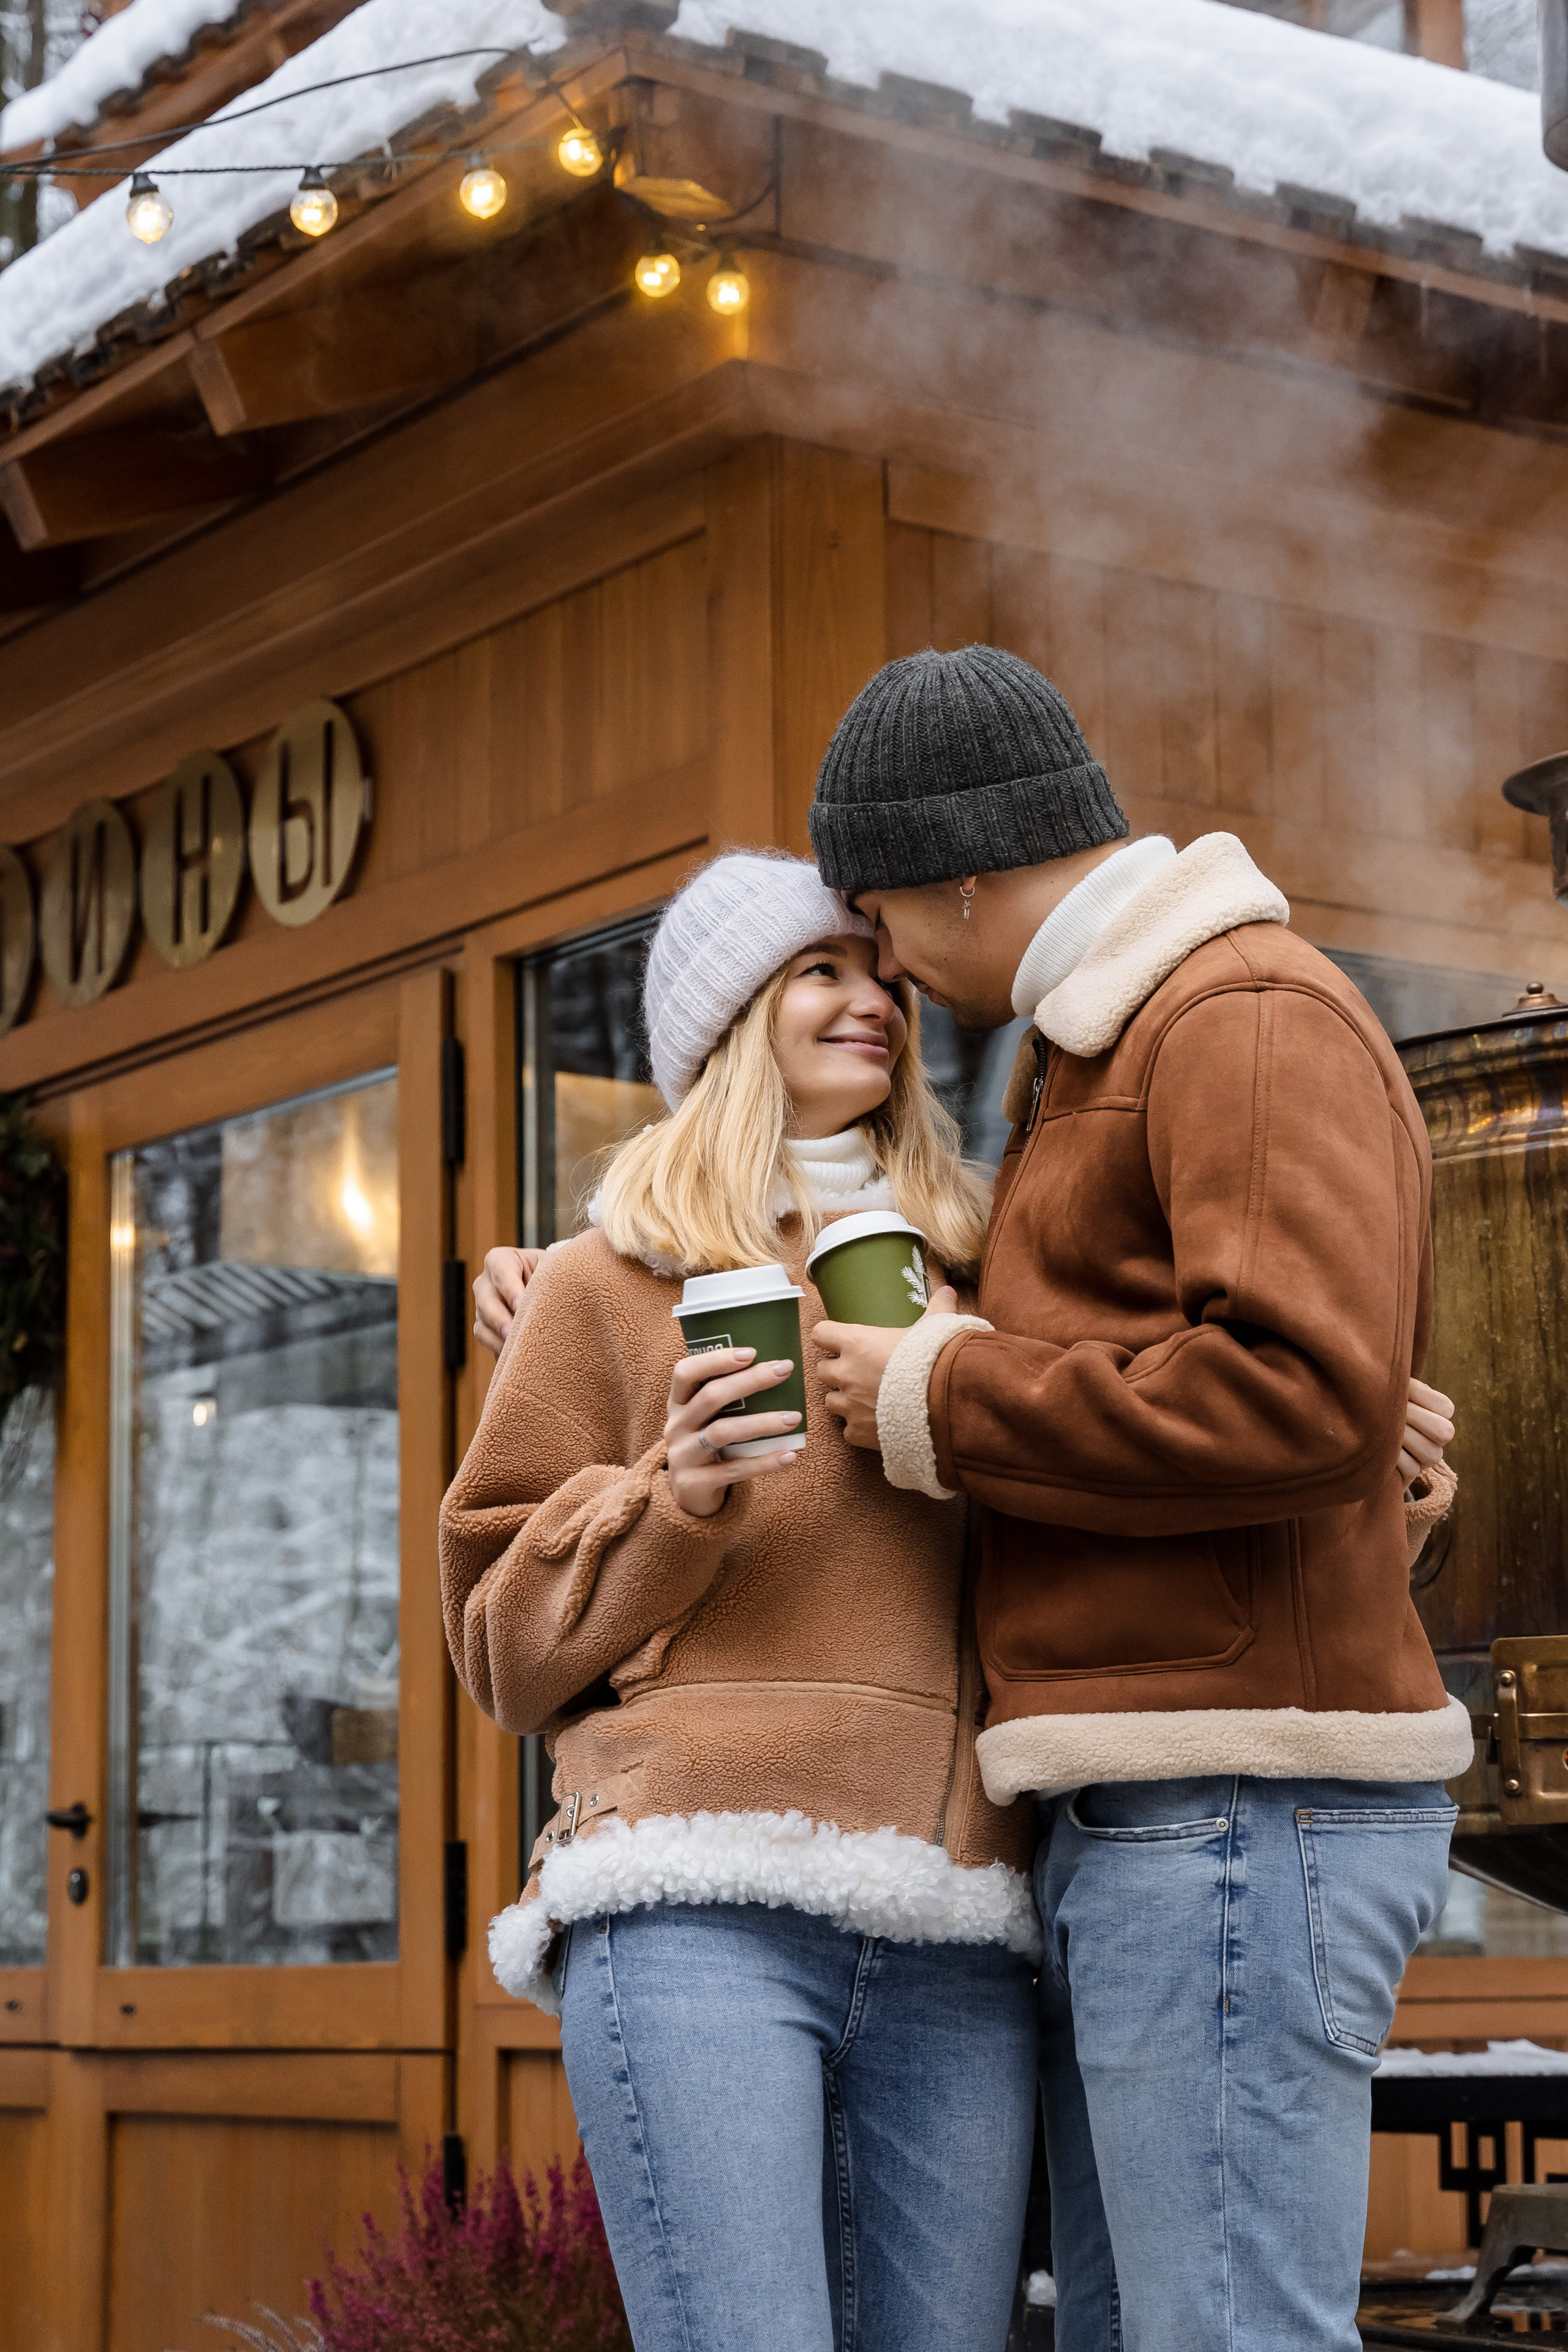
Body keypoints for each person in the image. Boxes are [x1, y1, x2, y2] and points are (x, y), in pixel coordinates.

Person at [805, 644, 1464, 2352]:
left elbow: (1298, 1395)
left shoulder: (1233, 1018)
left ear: (958, 867)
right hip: (1180, 1803)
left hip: (1234, 1796)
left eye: (874, 912)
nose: (880, 962)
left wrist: (939, 1389)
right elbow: (1310, 1399)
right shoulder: (1122, 1044)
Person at [439, 851, 1042, 2352]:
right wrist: (675, 1498)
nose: (872, 1002)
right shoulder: (601, 1283)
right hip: (689, 1900)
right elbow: (497, 1649)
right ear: (727, 1026)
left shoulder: (984, 1271)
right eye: (818, 973)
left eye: (877, 970)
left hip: (955, 1908)